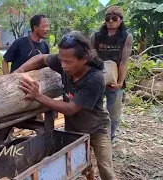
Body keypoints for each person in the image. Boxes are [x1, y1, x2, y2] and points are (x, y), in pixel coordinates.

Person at [14, 31, 116, 180]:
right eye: (61, 60)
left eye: (68, 62)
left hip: (97, 129)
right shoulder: (64, 60)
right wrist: (19, 72)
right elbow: (40, 58)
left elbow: (70, 109)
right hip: (74, 128)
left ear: (84, 58)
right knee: (83, 163)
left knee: (106, 169)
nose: (63, 65)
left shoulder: (95, 78)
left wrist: (38, 96)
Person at [90, 6, 133, 141]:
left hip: (115, 80)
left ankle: (111, 136)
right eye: (108, 19)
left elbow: (124, 61)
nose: (111, 21)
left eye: (114, 18)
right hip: (97, 78)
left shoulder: (126, 37)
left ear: (121, 20)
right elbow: (91, 58)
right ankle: (95, 135)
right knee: (94, 109)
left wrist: (120, 82)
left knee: (114, 112)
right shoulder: (96, 37)